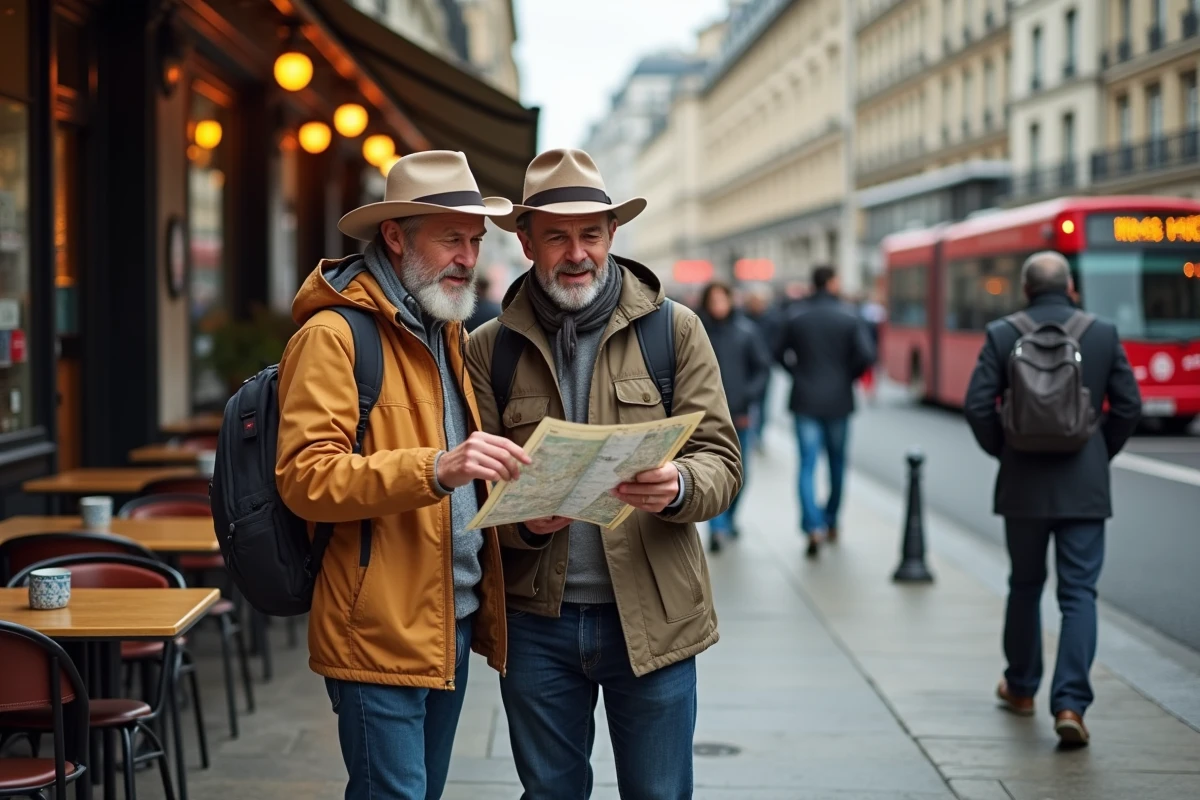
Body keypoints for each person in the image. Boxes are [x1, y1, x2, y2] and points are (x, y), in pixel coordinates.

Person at [466, 148, 741, 799]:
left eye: (591, 233)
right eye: (557, 236)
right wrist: (523, 522)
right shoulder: (487, 348)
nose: (577, 251)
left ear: (613, 234)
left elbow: (723, 462)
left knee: (659, 793)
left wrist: (677, 486)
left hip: (654, 618)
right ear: (526, 240)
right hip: (538, 622)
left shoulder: (674, 331)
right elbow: (472, 492)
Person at [274, 150, 533, 800]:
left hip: (450, 616)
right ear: (395, 235)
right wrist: (439, 467)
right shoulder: (333, 336)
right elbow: (306, 478)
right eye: (452, 237)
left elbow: (450, 467)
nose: (469, 257)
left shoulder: (440, 327)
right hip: (377, 626)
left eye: (475, 240)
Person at [964, 250, 1141, 747]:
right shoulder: (1101, 332)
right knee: (1079, 593)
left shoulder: (1003, 332)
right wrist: (1097, 451)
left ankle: (1020, 688)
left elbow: (978, 406)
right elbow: (1128, 405)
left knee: (1024, 584)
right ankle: (1070, 704)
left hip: (1023, 484)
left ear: (1025, 289)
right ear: (1071, 288)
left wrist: (1007, 449)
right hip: (1083, 485)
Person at [775, 265, 875, 558]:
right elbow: (866, 355)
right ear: (832, 282)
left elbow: (777, 352)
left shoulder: (796, 315)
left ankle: (812, 525)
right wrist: (847, 377)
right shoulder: (849, 315)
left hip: (805, 397)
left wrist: (797, 373)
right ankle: (831, 520)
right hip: (838, 399)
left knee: (806, 464)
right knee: (836, 463)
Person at [698, 280, 772, 551]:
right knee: (711, 471)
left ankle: (729, 518)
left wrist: (748, 398)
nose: (718, 306)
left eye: (722, 299)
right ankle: (717, 528)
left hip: (739, 413)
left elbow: (762, 370)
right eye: (713, 300)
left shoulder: (746, 332)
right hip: (706, 417)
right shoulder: (697, 331)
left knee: (740, 473)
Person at [743, 287, 782, 450]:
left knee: (764, 404)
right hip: (745, 368)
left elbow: (778, 343)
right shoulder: (743, 319)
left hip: (763, 367)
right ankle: (751, 434)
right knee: (749, 403)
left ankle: (759, 434)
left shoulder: (772, 319)